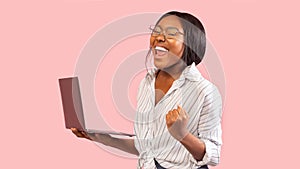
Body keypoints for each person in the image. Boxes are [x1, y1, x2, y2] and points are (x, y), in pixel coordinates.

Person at [71, 11, 223, 169]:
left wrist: (182, 135)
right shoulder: (147, 83)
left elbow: (213, 156)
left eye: (171, 33)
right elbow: (147, 148)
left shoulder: (205, 91)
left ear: (191, 43)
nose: (159, 37)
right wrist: (97, 137)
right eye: (156, 31)